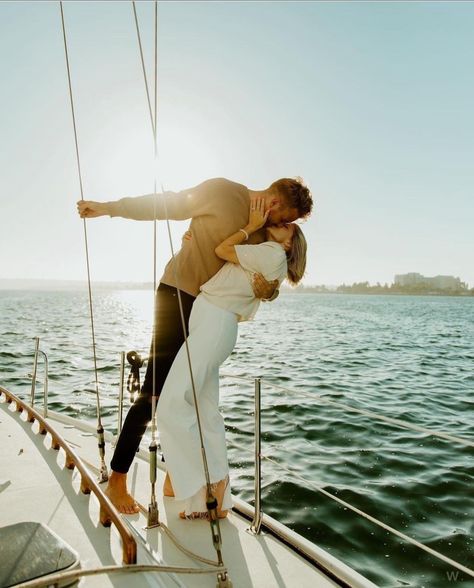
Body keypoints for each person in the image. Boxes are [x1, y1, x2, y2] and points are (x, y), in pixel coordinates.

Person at [77, 177, 313, 513]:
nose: (285, 225)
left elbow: (267, 276)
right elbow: (167, 203)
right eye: (287, 218)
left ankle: (176, 479)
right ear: (276, 204)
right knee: (155, 392)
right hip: (177, 294)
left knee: (191, 395)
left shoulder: (263, 233)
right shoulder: (222, 192)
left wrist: (270, 291)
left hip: (207, 313)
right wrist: (109, 208)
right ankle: (117, 480)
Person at [157, 197, 307, 518]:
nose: (283, 224)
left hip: (213, 321)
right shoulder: (265, 253)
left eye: (289, 227)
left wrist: (249, 227)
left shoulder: (271, 253)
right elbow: (224, 263)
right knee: (206, 411)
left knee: (171, 403)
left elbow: (222, 251)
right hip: (214, 322)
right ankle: (218, 491)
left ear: (291, 244)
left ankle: (195, 488)